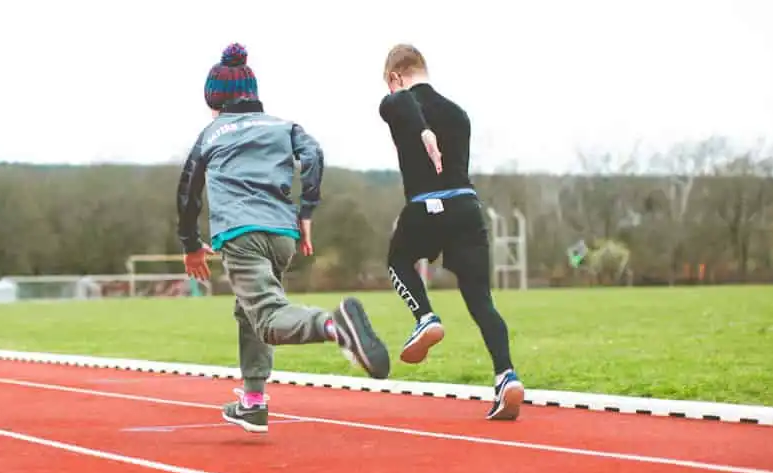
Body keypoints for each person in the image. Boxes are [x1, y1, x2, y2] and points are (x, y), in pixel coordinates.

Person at [177, 43, 391, 434]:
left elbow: (188, 191)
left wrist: (190, 244)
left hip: (241, 234)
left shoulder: (210, 133)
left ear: (213, 98)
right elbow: (313, 155)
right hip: (282, 236)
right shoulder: (282, 125)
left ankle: (335, 326)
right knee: (250, 311)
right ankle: (253, 401)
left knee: (268, 316)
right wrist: (307, 210)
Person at [378, 43, 523, 421]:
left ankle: (425, 317)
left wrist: (422, 130)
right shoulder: (459, 114)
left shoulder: (397, 102)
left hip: (427, 205)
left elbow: (402, 104)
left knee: (397, 260)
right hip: (466, 208)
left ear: (395, 78)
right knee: (482, 301)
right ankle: (506, 375)